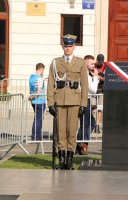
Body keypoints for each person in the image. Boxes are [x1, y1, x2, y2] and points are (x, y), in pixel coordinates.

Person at [47, 34, 88, 170]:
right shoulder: (55, 62)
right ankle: (62, 159)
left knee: (71, 131)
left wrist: (83, 104)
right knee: (61, 132)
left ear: (74, 47)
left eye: (70, 46)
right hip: (60, 100)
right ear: (62, 46)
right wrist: (50, 103)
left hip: (75, 101)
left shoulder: (81, 62)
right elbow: (50, 83)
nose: (68, 48)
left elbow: (85, 84)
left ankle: (69, 160)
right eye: (66, 46)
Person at [77, 55, 99, 155]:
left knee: (91, 123)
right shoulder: (85, 74)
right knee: (85, 123)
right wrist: (96, 78)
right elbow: (93, 90)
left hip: (87, 99)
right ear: (86, 63)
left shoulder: (87, 73)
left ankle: (81, 144)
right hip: (84, 99)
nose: (94, 65)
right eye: (92, 63)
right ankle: (81, 144)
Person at [28, 63, 46, 141]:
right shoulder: (39, 78)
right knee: (38, 119)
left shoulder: (31, 77)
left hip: (33, 102)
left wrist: (31, 97)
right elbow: (39, 91)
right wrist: (33, 96)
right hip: (40, 101)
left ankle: (35, 135)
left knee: (36, 118)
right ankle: (36, 136)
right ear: (41, 69)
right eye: (43, 70)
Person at [94, 53, 105, 134]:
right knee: (92, 106)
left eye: (101, 61)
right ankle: (92, 123)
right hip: (93, 90)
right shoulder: (93, 67)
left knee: (100, 108)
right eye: (99, 61)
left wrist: (102, 78)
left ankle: (97, 126)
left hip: (101, 90)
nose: (100, 63)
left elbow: (107, 78)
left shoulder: (105, 67)